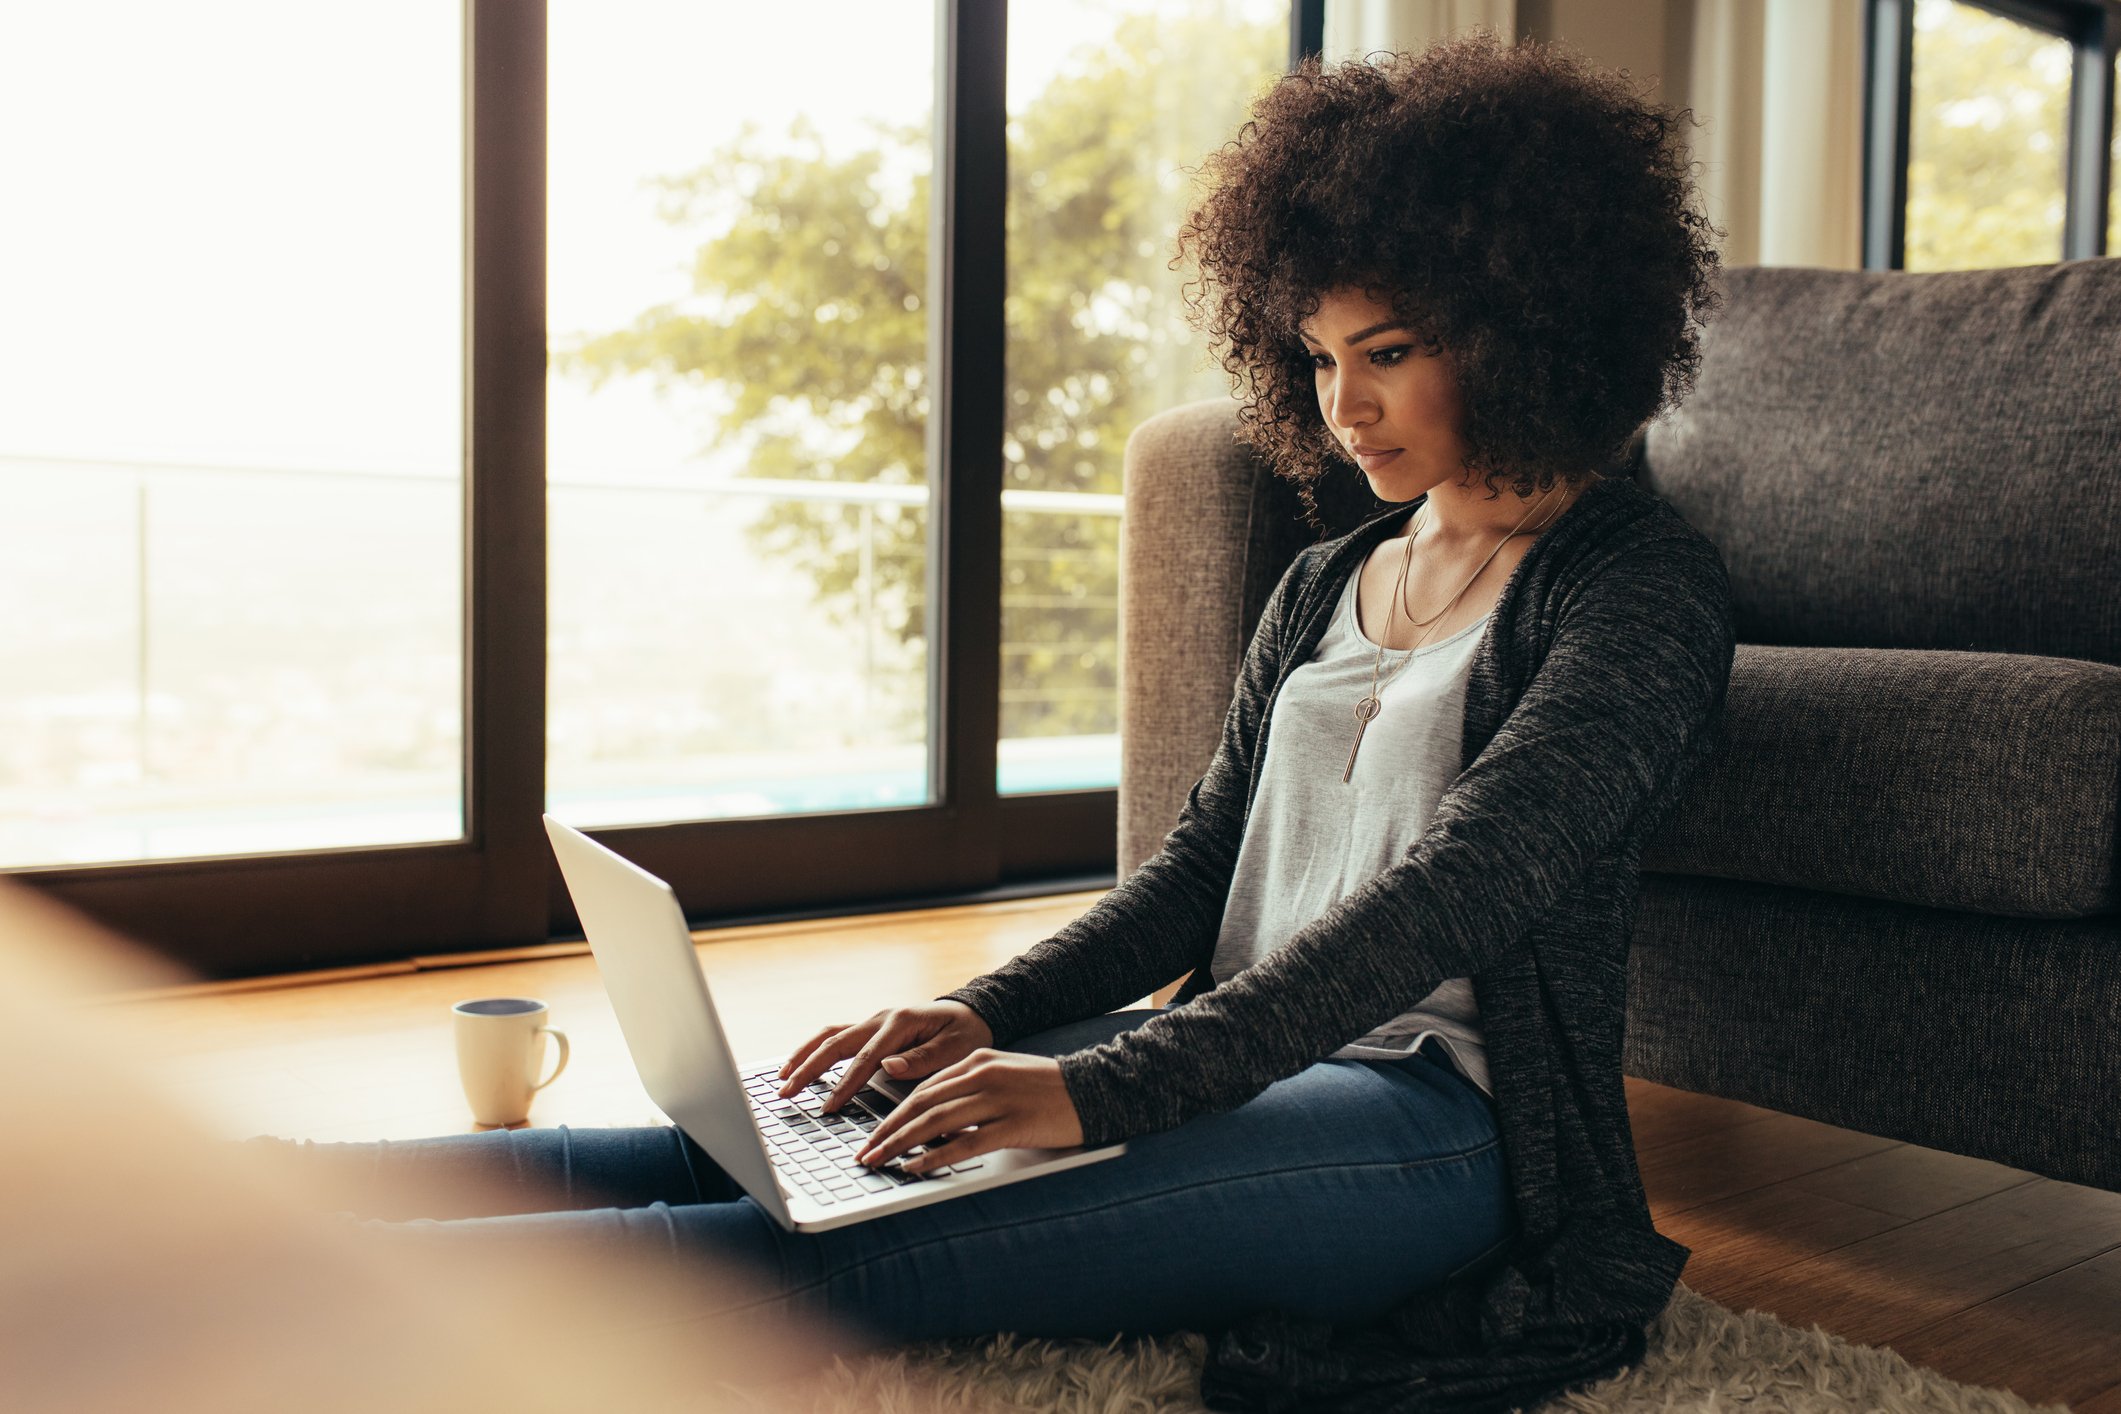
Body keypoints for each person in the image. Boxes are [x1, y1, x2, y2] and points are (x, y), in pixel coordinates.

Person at [251, 31, 1734, 1412]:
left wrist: (1101, 1090)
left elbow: (1449, 896)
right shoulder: (1329, 575)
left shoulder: (1639, 594)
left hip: (1440, 1134)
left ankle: (244, 1293)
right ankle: (216, 1195)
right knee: (757, 1141)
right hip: (1240, 1055)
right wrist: (987, 1012)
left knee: (811, 1261)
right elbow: (1192, 875)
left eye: (1390, 349)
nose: (1343, 404)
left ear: (1530, 322)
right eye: (1318, 356)